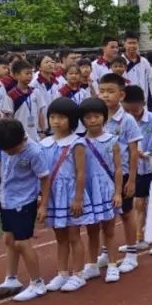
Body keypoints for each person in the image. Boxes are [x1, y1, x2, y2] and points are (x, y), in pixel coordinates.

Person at [0, 119, 52, 301]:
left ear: (23, 139)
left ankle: (37, 283)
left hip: (24, 201)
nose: (9, 153)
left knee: (22, 242)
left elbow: (45, 178)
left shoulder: (34, 152)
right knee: (8, 239)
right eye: (6, 150)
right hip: (6, 198)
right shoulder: (2, 144)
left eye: (12, 150)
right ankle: (11, 278)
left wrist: (43, 205)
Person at [40, 97, 90, 292]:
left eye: (61, 117)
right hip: (52, 193)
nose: (56, 121)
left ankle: (78, 273)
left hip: (69, 193)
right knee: (59, 236)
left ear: (72, 120)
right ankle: (62, 273)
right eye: (52, 117)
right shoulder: (44, 143)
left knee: (73, 234)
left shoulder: (77, 143)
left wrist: (78, 197)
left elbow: (80, 172)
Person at [98, 73, 142, 272]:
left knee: (126, 212)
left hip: (122, 173)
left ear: (121, 95)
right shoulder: (96, 117)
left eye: (110, 91)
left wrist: (132, 179)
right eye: (102, 91)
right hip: (102, 175)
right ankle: (107, 252)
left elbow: (133, 152)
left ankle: (132, 252)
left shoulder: (127, 120)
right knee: (105, 215)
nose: (105, 95)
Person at [78, 97, 123, 283]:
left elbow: (119, 168)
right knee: (91, 230)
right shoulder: (79, 142)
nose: (93, 120)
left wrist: (118, 192)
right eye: (88, 117)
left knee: (109, 229)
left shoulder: (112, 140)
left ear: (104, 117)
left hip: (106, 189)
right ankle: (93, 264)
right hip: (89, 191)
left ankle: (112, 264)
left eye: (97, 116)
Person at [123, 84, 152, 257]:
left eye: (135, 109)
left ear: (142, 103)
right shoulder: (125, 121)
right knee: (139, 204)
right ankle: (139, 238)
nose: (133, 113)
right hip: (137, 169)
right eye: (129, 110)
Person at [122, 32, 152, 111]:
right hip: (127, 103)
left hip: (145, 103)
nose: (132, 46)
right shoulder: (120, 62)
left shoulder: (144, 61)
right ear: (124, 44)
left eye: (134, 43)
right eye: (129, 43)